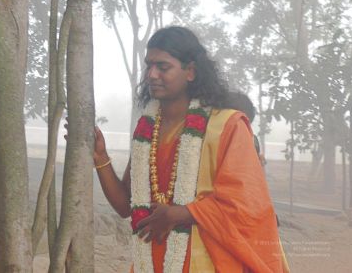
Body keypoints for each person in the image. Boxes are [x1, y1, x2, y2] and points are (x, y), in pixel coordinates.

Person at [90, 26, 286, 272]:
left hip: (206, 261)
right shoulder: (147, 130)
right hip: (149, 262)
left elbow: (247, 205)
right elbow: (124, 206)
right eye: (149, 65)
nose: (151, 74)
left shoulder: (226, 127)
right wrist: (100, 157)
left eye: (163, 67)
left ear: (190, 71)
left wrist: (180, 214)